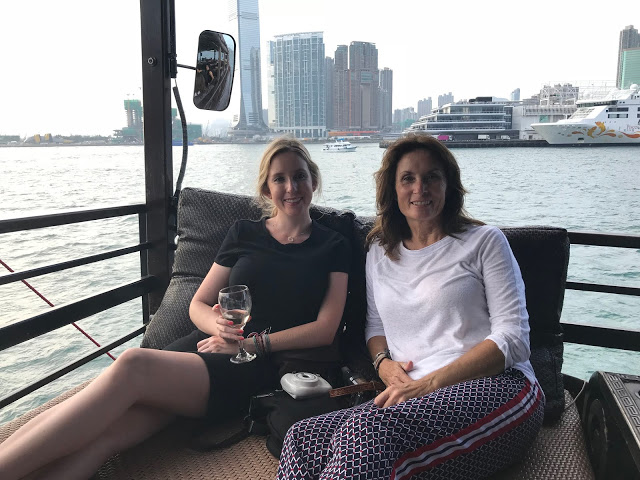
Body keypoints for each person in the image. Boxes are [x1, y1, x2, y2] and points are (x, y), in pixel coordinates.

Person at [0, 137, 350, 480]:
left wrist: (249, 344)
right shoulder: (244, 233)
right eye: (279, 178)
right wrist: (218, 327)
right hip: (206, 344)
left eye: (299, 176)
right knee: (108, 436)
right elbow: (199, 304)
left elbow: (326, 328)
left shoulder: (333, 244)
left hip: (260, 366)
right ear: (266, 189)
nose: (291, 187)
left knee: (132, 364)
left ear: (313, 180)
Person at [277, 134, 544, 480]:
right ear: (393, 189)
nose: (421, 188)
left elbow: (514, 338)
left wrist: (428, 385)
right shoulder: (379, 251)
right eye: (408, 178)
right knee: (302, 437)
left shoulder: (484, 242)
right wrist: (383, 364)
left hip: (499, 386)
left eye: (432, 177)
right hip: (410, 397)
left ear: (448, 185)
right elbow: (376, 326)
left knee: (368, 432)